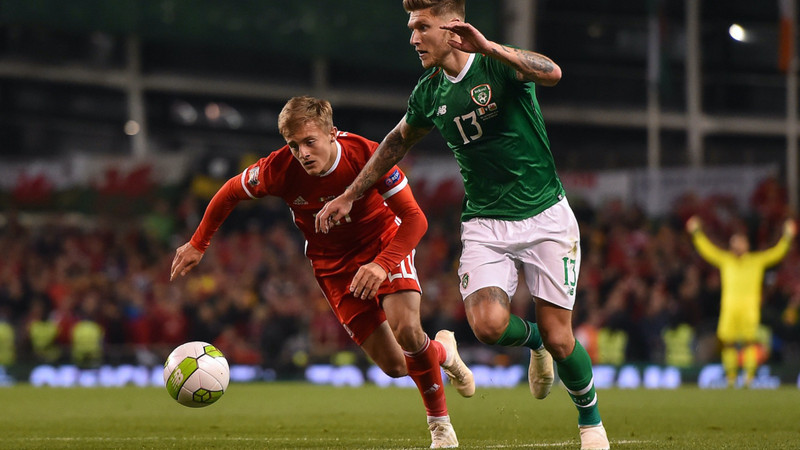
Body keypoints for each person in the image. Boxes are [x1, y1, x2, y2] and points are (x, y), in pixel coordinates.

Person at [315, 1, 609, 448]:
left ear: (452, 28)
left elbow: (551, 73)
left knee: (562, 337)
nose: (413, 38)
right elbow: (397, 141)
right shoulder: (429, 91)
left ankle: (591, 423)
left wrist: (491, 47)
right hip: (486, 223)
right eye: (411, 28)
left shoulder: (497, 64)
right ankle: (534, 344)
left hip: (546, 215)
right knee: (488, 326)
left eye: (421, 27)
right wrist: (350, 195)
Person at [171, 96, 475, 448]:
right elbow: (229, 192)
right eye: (293, 145)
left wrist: (382, 263)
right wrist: (198, 243)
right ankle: (443, 352)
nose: (302, 153)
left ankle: (441, 430)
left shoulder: (368, 155)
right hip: (332, 265)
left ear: (332, 134)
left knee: (407, 329)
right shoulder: (279, 168)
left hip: (383, 243)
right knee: (395, 366)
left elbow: (415, 219)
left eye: (309, 142)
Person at [686, 215, 796, 387]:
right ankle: (730, 378)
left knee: (749, 343)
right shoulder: (726, 260)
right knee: (728, 343)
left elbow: (777, 253)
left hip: (749, 309)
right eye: (734, 242)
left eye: (739, 242)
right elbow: (707, 250)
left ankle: (749, 378)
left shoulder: (756, 261)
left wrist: (787, 236)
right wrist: (696, 232)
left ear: (746, 245)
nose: (736, 245)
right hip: (730, 309)